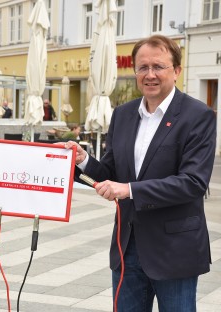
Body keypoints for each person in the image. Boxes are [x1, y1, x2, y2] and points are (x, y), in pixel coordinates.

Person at [64, 35, 216, 311]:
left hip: (174, 249)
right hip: (127, 246)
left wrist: (130, 190)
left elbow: (193, 183)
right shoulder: (122, 114)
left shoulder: (198, 116)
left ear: (177, 71)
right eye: (142, 67)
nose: (150, 75)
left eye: (158, 66)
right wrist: (84, 160)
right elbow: (110, 172)